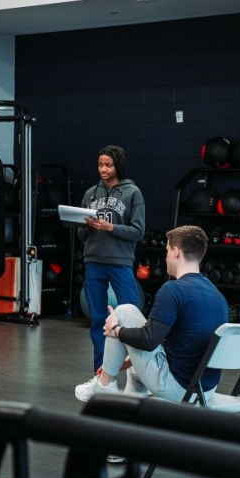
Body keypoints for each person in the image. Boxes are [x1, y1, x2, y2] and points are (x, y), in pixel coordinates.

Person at [74, 225, 227, 404]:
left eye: (167, 251)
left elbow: (148, 340)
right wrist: (132, 358)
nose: (166, 257)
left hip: (179, 389)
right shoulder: (215, 294)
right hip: (205, 389)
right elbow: (185, 336)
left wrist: (116, 330)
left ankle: (104, 384)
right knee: (135, 370)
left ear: (176, 252)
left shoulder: (173, 289)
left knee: (124, 311)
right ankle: (131, 415)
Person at [78, 145, 146, 372]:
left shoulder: (132, 193)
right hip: (93, 261)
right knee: (98, 321)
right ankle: (101, 375)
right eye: (100, 165)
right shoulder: (90, 194)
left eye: (108, 165)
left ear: (118, 166)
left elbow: (138, 232)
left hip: (120, 261)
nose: (103, 169)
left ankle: (139, 373)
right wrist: (86, 227)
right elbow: (80, 234)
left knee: (133, 318)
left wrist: (110, 227)